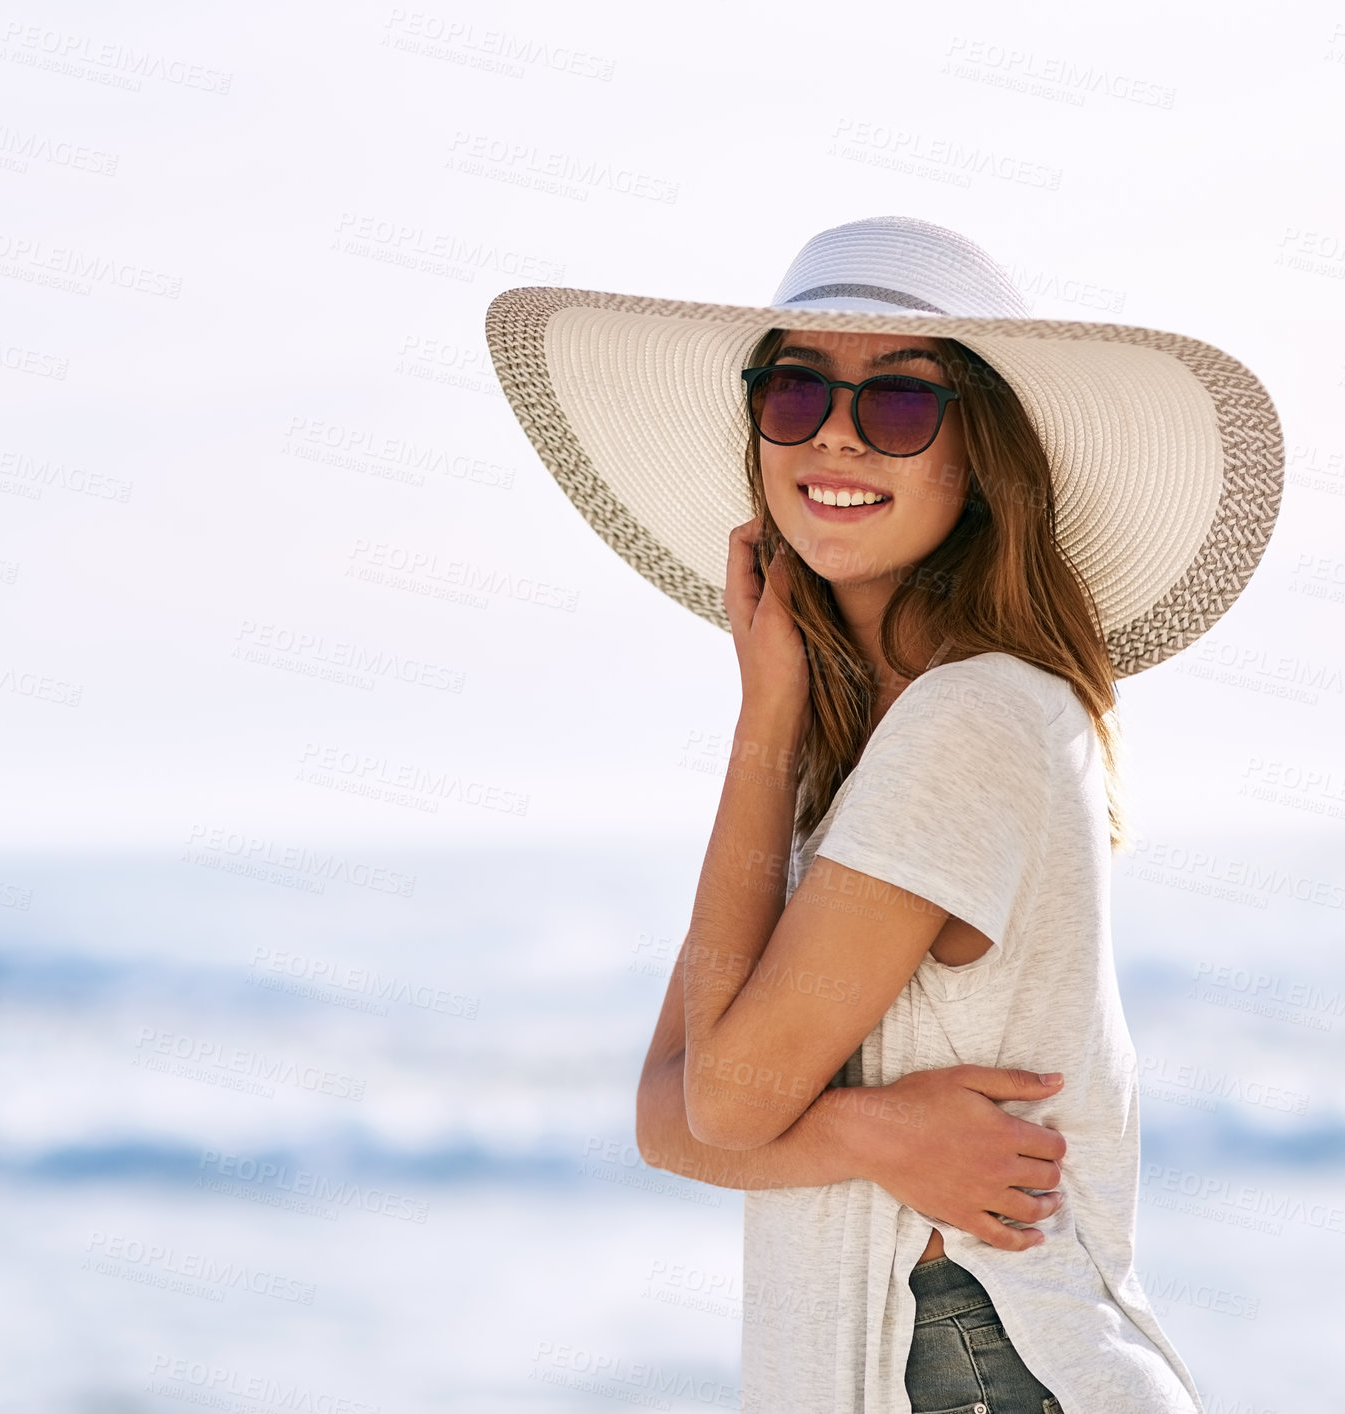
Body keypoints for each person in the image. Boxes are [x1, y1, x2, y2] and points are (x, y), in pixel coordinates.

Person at [485, 216, 1284, 1414]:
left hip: (976, 1364)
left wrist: (763, 725)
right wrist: (869, 1133)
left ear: (983, 460)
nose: (838, 433)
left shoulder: (970, 719)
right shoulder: (851, 757)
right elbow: (664, 1110)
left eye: (901, 404)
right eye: (796, 389)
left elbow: (729, 1105)